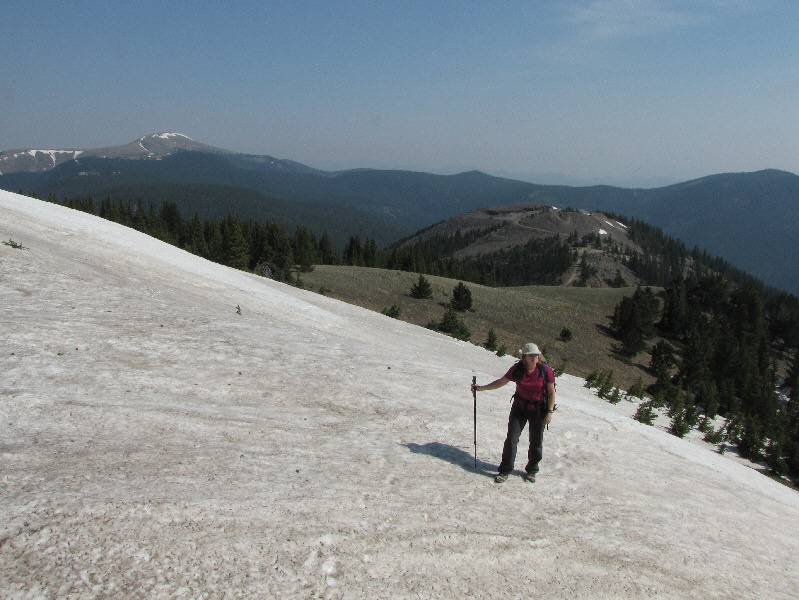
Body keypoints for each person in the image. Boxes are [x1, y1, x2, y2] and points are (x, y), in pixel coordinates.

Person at [472, 343, 556, 483]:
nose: (535, 358)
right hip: (520, 408)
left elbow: (552, 392)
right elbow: (501, 382)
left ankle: (532, 470)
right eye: (531, 355)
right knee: (511, 439)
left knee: (536, 441)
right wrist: (481, 388)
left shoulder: (545, 370)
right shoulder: (517, 369)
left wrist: (549, 412)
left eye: (536, 355)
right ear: (524, 357)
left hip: (539, 409)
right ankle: (505, 470)